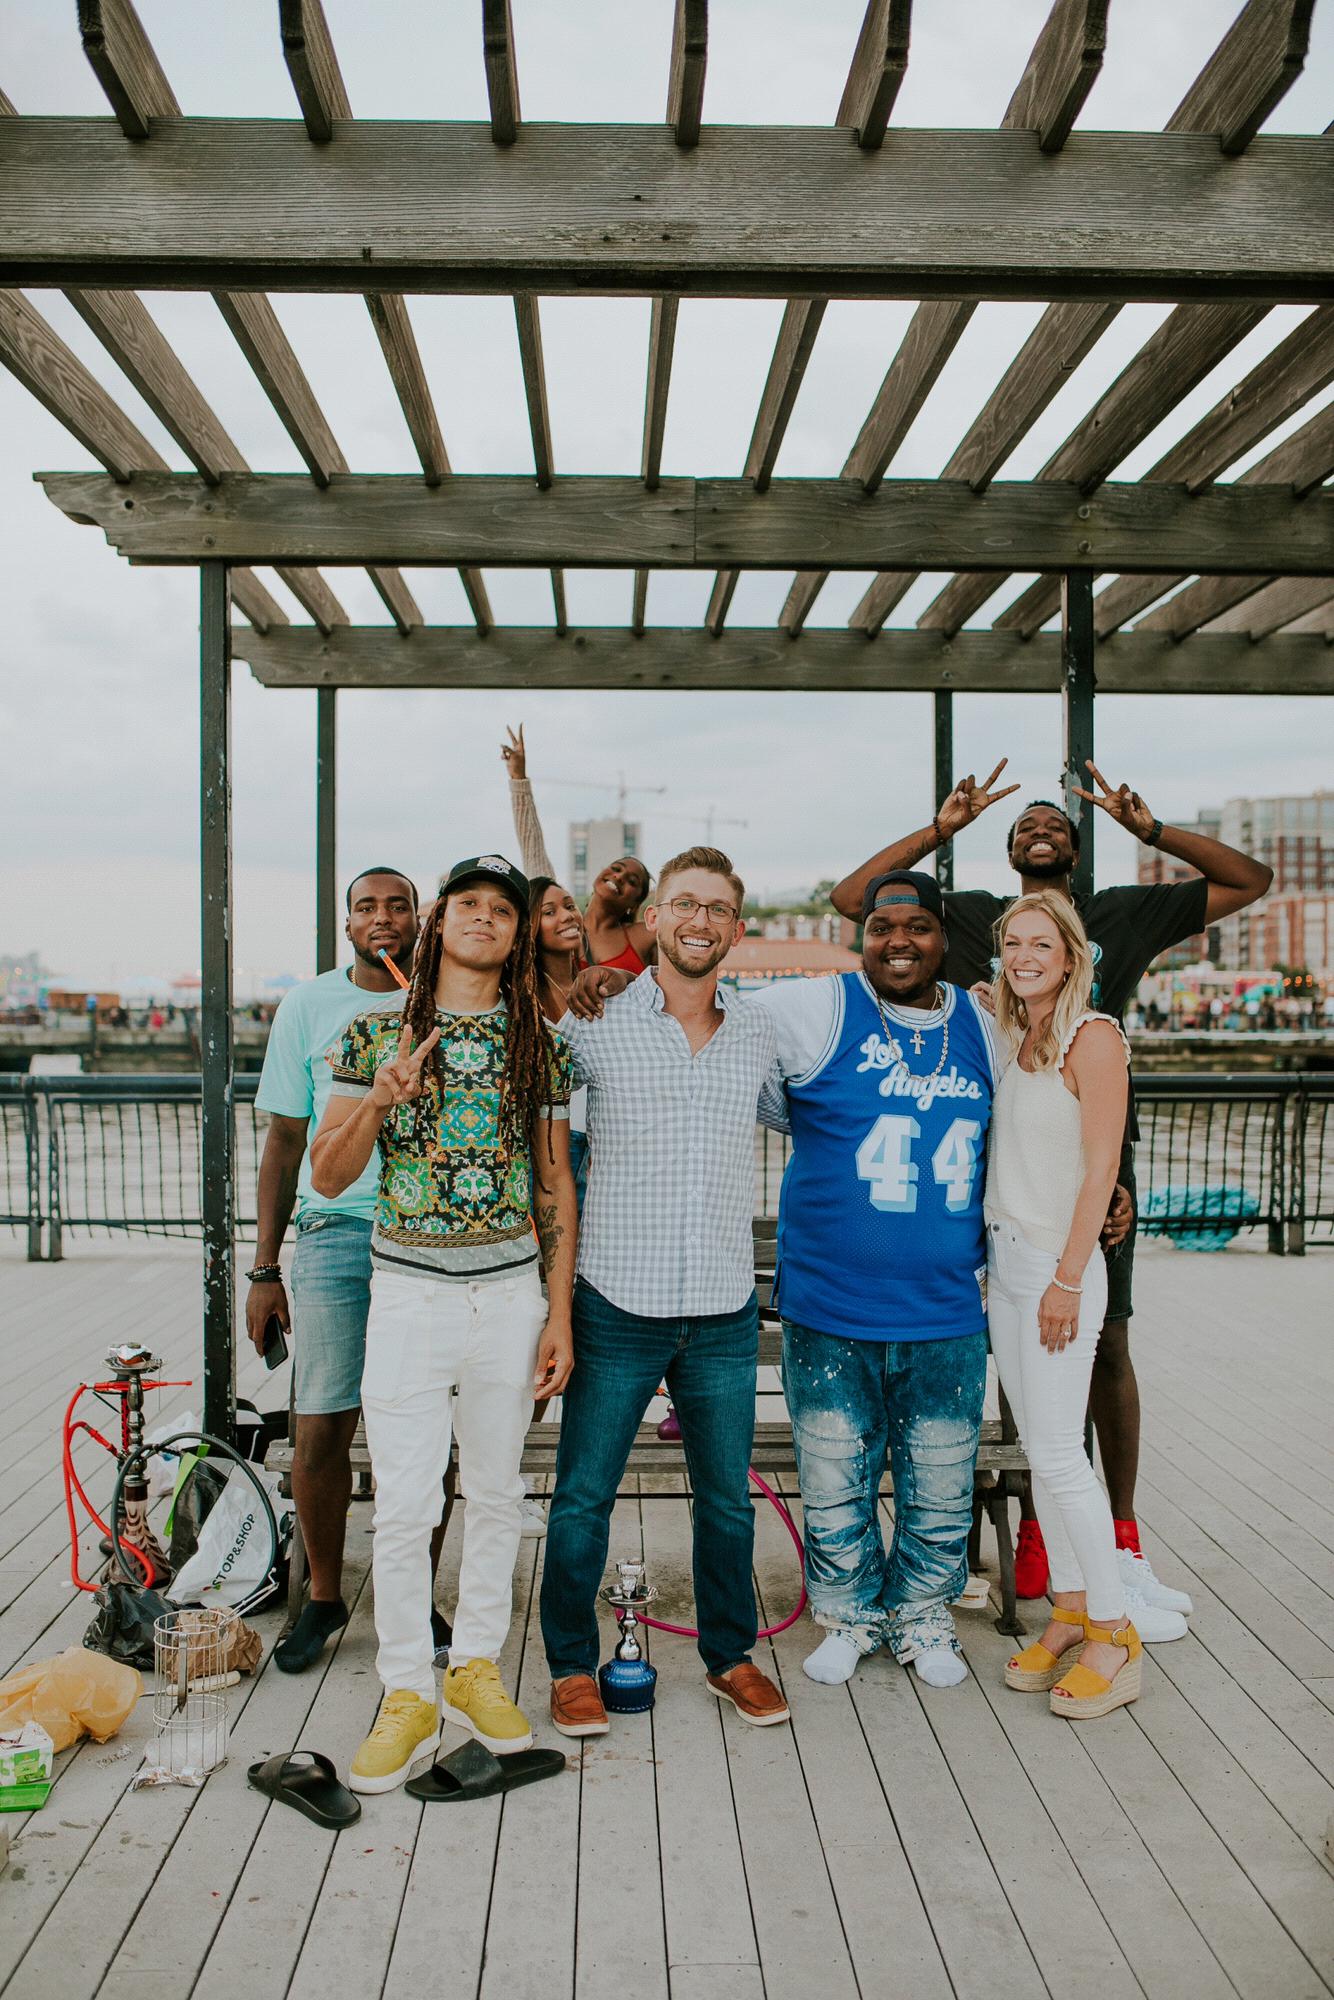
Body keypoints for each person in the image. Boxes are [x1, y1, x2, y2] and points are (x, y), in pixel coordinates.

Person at [831, 760, 1272, 1627]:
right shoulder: (970, 920)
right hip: (1013, 1172)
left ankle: (1119, 1535)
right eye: (1027, 824)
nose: (1042, 828)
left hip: (1095, 1170)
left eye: (1058, 824)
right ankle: (1039, 1531)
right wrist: (939, 827)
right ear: (1007, 853)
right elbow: (858, 901)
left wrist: (1152, 832)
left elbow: (1247, 881)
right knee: (1022, 1365)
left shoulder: (1119, 912)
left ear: (1075, 850)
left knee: (1104, 1348)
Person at [310, 856, 577, 1793]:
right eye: (467, 904)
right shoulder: (372, 1033)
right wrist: (380, 1099)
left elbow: (555, 1184)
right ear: (437, 923)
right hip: (411, 1297)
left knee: (498, 1493)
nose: (484, 920)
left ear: (515, 935)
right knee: (408, 1502)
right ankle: (406, 1689)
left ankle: (474, 1667)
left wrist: (561, 1314)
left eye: (502, 910)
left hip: (509, 1297)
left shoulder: (540, 1042)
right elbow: (329, 1176)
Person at [541, 847, 791, 1738]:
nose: (700, 921)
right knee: (583, 1498)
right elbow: (542, 1149)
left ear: (736, 927)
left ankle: (729, 1656)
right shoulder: (591, 1020)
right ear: (654, 919)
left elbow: (828, 1119)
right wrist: (554, 1305)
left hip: (723, 1308)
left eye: (718, 908)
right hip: (616, 1300)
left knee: (725, 1502)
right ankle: (571, 1667)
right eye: (683, 903)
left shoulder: (761, 1033)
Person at [756, 870, 999, 1689]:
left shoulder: (986, 1024)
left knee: (939, 1476)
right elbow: (708, 1028)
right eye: (881, 924)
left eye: (918, 926)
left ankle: (923, 1614)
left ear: (944, 937)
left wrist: (1107, 1188)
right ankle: (848, 1611)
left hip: (946, 1308)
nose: (899, 939)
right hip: (830, 1302)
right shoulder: (815, 1010)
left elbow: (1044, 1121)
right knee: (833, 1476)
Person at [249, 867, 455, 1673]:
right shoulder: (309, 1006)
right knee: (322, 1421)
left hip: (431, 1234)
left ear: (419, 920)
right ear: (347, 925)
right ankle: (326, 1598)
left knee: (429, 1430)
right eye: (366, 906)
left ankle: (417, 1599)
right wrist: (266, 1267)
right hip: (336, 1229)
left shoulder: (447, 998)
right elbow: (283, 1141)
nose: (383, 917)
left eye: (398, 905)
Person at [988, 892, 1145, 1717]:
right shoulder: (1019, 1038)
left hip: (1058, 1269)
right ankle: (1074, 1610)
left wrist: (1070, 1279)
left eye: (1041, 943)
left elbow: (1099, 1170)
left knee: (1058, 1455)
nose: (1025, 955)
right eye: (1013, 943)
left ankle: (1117, 1636)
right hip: (1006, 1265)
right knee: (1043, 1453)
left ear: (1072, 952)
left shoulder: (1095, 1038)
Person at [502, 723, 655, 970]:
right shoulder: (558, 924)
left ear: (634, 904)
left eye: (632, 881)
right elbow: (533, 849)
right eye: (616, 868)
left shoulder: (643, 936)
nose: (619, 876)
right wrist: (518, 779)